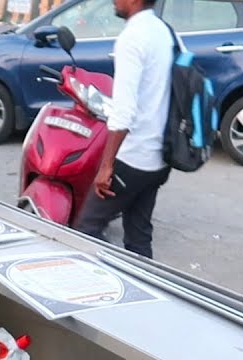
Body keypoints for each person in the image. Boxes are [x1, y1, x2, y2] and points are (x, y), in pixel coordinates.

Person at [73, 0, 173, 259]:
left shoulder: (132, 38)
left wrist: (106, 166)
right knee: (139, 237)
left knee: (86, 230)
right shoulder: (163, 31)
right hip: (159, 157)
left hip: (134, 157)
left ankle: (108, 287)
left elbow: (124, 112)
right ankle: (144, 289)